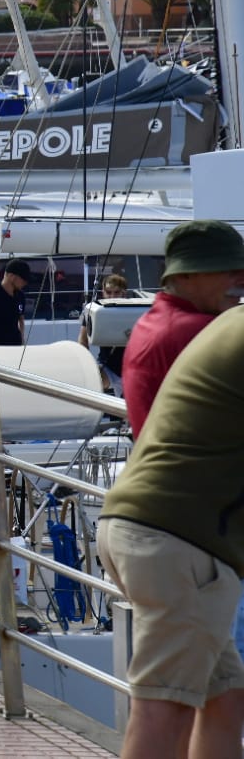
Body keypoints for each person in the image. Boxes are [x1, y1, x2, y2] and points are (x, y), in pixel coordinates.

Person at [98, 308, 244, 759]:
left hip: (139, 526)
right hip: (184, 544)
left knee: (224, 696)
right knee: (164, 708)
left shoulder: (229, 323)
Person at [123, 220, 244, 438]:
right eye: (230, 271)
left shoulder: (154, 322)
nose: (242, 280)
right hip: (207, 470)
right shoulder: (199, 332)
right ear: (184, 275)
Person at [77, 273, 128, 390]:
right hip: (107, 368)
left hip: (133, 370)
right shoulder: (93, 311)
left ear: (124, 293)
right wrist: (87, 366)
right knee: (89, 382)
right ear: (103, 292)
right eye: (108, 292)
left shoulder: (137, 311)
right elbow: (82, 340)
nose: (112, 296)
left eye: (116, 292)